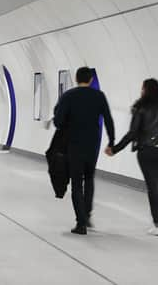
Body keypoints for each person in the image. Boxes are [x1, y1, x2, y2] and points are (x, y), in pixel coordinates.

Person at [105, 78, 158, 236]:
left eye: (142, 89)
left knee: (153, 187)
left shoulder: (141, 109)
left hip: (147, 152)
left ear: (145, 90)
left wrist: (115, 149)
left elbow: (132, 133)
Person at [53, 67, 115, 235]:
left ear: (76, 78)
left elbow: (58, 121)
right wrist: (111, 142)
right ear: (90, 80)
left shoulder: (68, 96)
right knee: (89, 178)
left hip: (74, 145)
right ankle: (86, 215)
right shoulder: (99, 96)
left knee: (76, 183)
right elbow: (108, 119)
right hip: (92, 145)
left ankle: (80, 223)